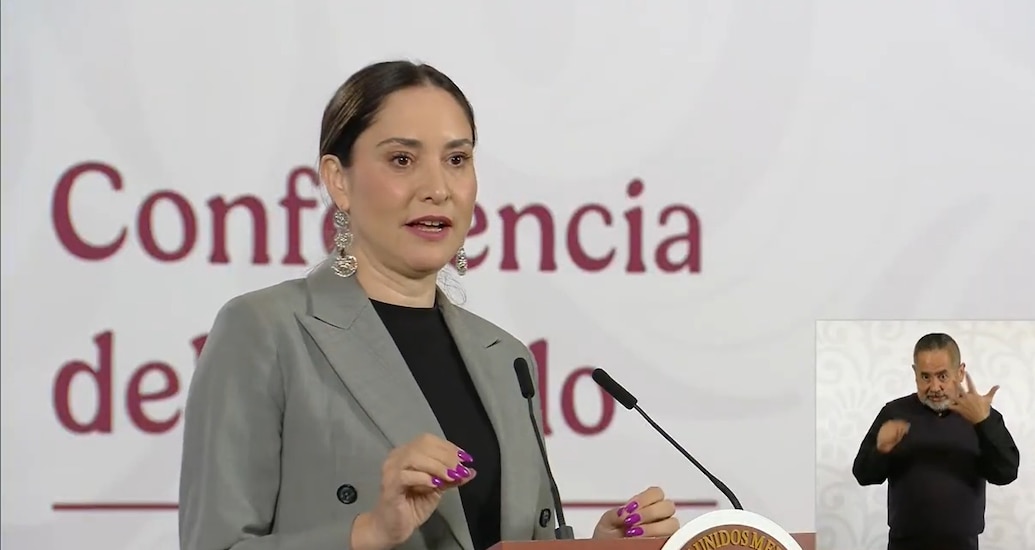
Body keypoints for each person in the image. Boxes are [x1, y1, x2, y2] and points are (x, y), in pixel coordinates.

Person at [178, 60, 681, 550]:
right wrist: (370, 533)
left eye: (457, 160)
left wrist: (595, 548)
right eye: (402, 159)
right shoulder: (264, 331)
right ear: (338, 179)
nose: (437, 188)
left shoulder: (505, 358)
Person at [851, 333, 1020, 550]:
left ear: (960, 372)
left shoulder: (982, 415)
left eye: (942, 376)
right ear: (915, 373)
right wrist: (881, 449)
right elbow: (863, 476)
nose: (934, 387)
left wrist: (983, 423)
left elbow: (1006, 473)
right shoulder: (894, 413)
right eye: (925, 377)